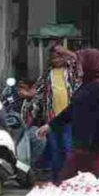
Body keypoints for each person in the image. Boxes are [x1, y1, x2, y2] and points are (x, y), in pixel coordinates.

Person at [38, 49, 99, 181]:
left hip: (94, 148)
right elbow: (72, 109)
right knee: (69, 182)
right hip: (82, 146)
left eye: (81, 63)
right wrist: (51, 125)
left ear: (91, 64)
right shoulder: (86, 84)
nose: (78, 66)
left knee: (97, 185)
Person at [30, 45, 83, 183]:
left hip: (70, 118)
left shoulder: (71, 71)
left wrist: (66, 51)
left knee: (68, 149)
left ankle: (71, 180)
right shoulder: (48, 74)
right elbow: (37, 91)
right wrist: (27, 93)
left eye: (59, 56)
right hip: (52, 120)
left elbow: (79, 60)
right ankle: (57, 181)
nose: (56, 59)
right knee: (55, 151)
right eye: (54, 57)